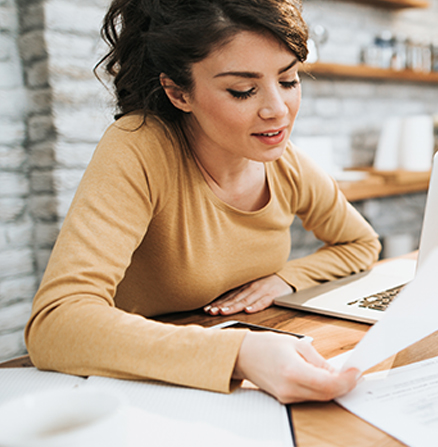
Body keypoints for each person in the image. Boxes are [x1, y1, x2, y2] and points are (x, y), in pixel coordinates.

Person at [24, 0, 381, 404]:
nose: (278, 110)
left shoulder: (286, 163)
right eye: (243, 91)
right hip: (138, 388)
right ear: (179, 93)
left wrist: (285, 279)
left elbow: (362, 243)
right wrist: (238, 353)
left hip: (228, 380)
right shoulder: (139, 147)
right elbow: (55, 323)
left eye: (288, 80)